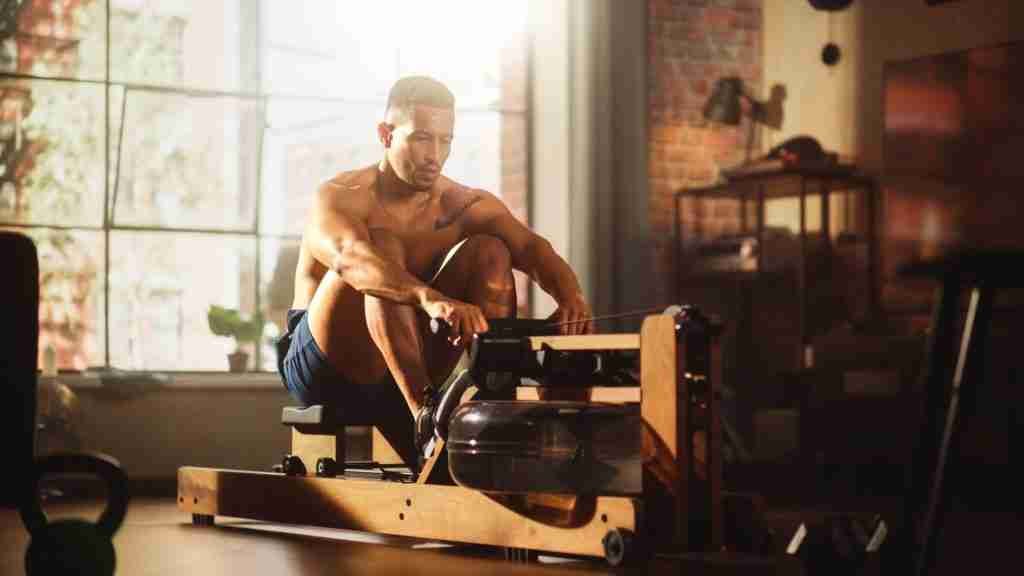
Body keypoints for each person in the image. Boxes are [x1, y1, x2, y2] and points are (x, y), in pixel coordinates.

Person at [278, 75, 593, 469]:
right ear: (386, 134)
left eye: (446, 141)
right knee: (382, 247)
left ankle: (495, 411)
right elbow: (350, 259)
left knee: (491, 251)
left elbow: (530, 247)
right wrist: (430, 298)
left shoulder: (461, 203)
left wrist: (571, 297)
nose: (436, 154)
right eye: (423, 138)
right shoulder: (343, 194)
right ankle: (425, 423)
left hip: (408, 352)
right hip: (325, 368)